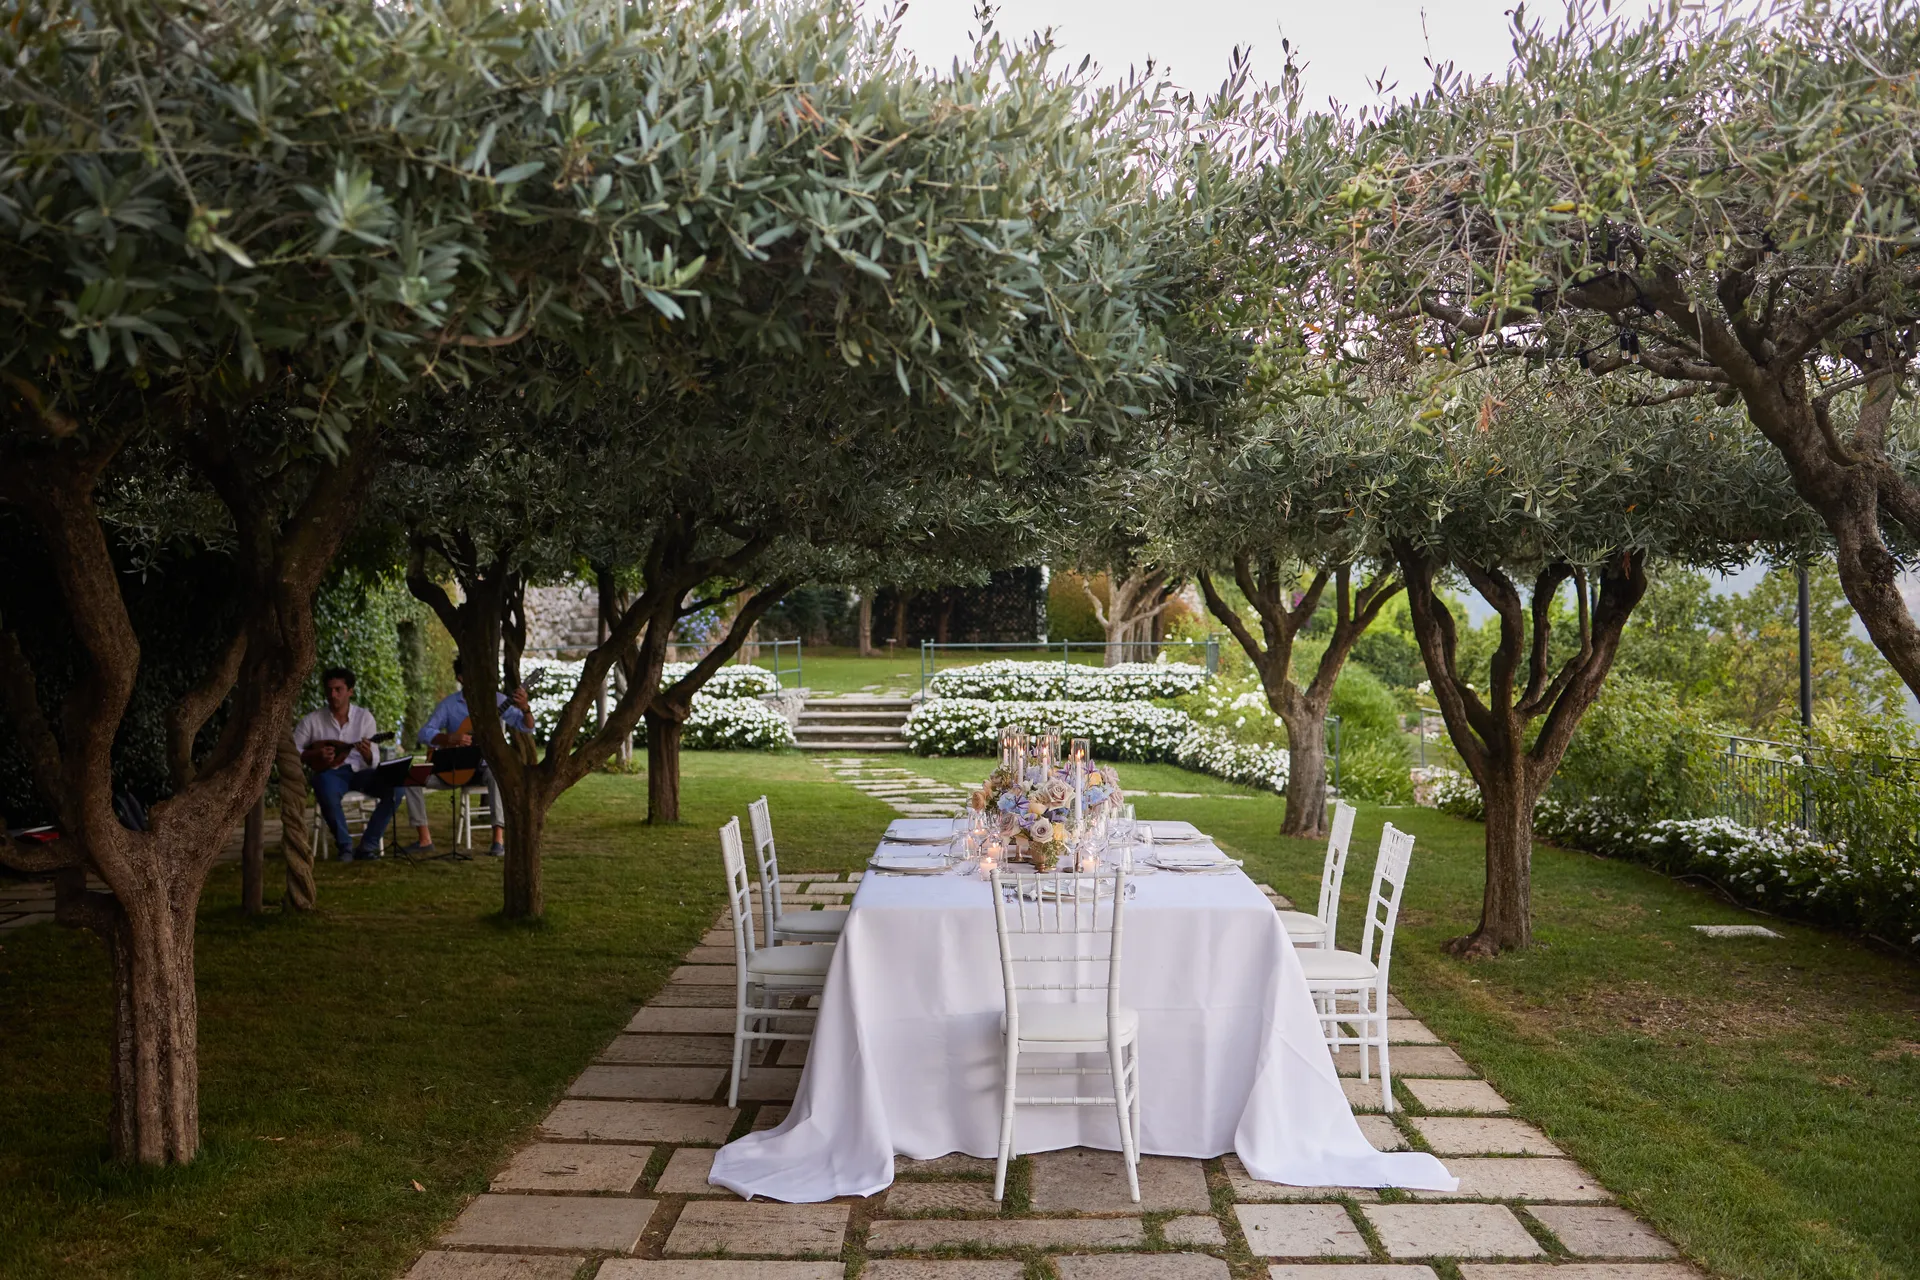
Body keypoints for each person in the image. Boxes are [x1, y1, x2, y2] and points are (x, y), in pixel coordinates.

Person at [401, 657, 534, 857]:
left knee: (495, 773)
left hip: (482, 768)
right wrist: (448, 738)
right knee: (411, 777)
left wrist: (525, 708)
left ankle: (498, 840)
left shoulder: (496, 700)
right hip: (454, 768)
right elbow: (424, 733)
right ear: (461, 678)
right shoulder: (449, 704)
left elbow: (527, 726)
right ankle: (424, 839)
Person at [293, 666, 400, 862]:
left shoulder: (364, 718)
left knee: (397, 788)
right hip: (331, 774)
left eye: (338, 689)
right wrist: (316, 753)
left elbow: (373, 760)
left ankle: (368, 846)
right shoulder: (312, 720)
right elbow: (292, 750)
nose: (333, 695)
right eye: (329, 690)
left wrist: (367, 754)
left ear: (350, 691)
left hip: (361, 773)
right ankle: (345, 847)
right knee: (324, 785)